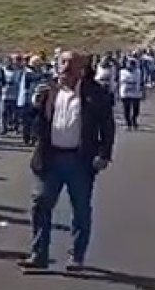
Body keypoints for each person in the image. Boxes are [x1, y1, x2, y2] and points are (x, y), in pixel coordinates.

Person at [19, 50, 116, 271]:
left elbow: (107, 125)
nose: (65, 68)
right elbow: (32, 121)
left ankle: (77, 256)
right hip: (50, 157)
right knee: (40, 204)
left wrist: (104, 154)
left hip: (80, 160)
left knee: (80, 209)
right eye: (62, 63)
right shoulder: (48, 90)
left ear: (81, 68)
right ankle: (39, 254)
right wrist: (35, 105)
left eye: (71, 64)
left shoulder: (94, 93)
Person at [117, 56, 145, 130]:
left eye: (132, 64)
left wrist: (143, 92)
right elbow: (118, 82)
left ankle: (134, 120)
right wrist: (118, 93)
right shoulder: (121, 72)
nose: (130, 66)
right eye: (129, 64)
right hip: (125, 93)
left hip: (136, 93)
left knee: (136, 110)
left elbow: (142, 82)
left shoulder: (138, 72)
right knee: (126, 109)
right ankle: (128, 123)